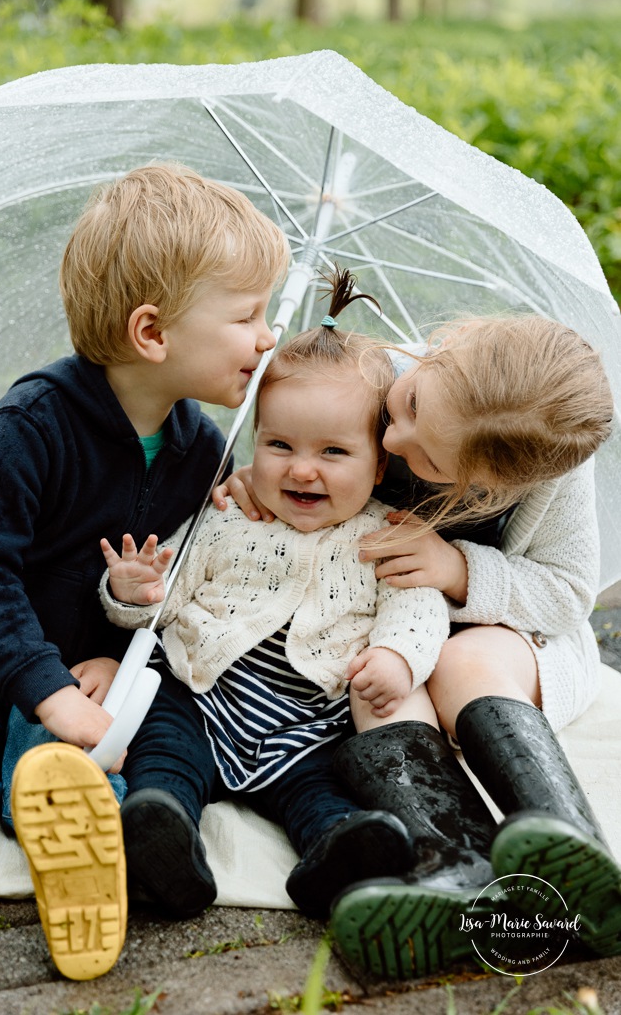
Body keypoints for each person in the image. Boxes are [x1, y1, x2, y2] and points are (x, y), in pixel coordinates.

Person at [0, 162, 289, 978]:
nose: (268, 338)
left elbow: (165, 593)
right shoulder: (32, 425)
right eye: (248, 316)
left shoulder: (200, 450)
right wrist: (46, 687)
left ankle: (92, 852)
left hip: (78, 668)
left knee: (62, 767)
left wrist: (106, 669)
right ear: (153, 334)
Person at [215, 314, 621, 978]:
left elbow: (563, 594)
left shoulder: (545, 468)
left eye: (428, 458)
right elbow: (298, 441)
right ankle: (455, 867)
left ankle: (571, 850)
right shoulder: (383, 381)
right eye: (405, 408)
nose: (395, 435)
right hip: (387, 633)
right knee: (377, 680)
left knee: (464, 658)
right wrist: (251, 488)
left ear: (495, 481)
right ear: (439, 350)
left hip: (508, 645)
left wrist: (457, 569)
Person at [98, 299, 452, 923]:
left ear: (379, 465)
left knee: (322, 789)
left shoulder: (386, 535)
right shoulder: (228, 514)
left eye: (334, 453)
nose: (303, 468)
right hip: (200, 694)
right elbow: (165, 600)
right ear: (253, 441)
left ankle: (336, 855)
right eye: (280, 444)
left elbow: (418, 609)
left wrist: (398, 657)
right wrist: (132, 592)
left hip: (308, 722)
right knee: (164, 752)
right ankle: (164, 841)